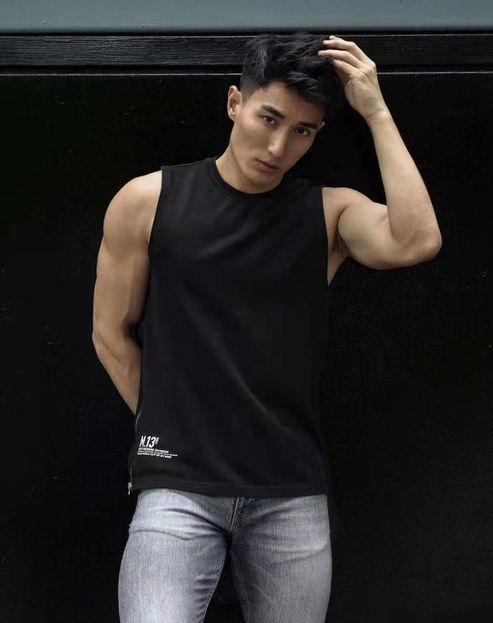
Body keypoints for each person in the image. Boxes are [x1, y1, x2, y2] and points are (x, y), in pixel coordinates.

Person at [92, 31, 442, 623]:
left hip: (290, 494)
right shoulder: (148, 201)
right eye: (269, 118)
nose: (279, 146)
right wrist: (167, 427)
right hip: (179, 487)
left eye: (303, 131)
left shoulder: (329, 212)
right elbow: (110, 333)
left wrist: (376, 112)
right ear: (235, 102)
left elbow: (416, 241)